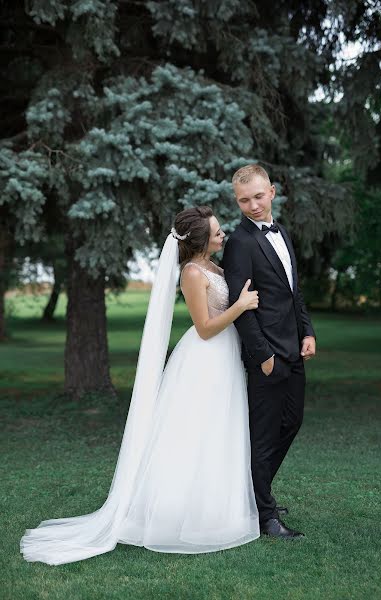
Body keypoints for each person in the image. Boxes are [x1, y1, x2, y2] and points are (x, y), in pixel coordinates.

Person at [21, 206, 260, 565]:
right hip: (204, 360)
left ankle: (213, 510)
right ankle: (176, 515)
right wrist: (240, 306)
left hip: (223, 358)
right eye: (216, 232)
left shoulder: (213, 266)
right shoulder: (193, 273)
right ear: (199, 241)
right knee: (194, 435)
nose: (222, 235)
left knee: (217, 433)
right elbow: (205, 328)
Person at [223, 164, 316, 539]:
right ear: (237, 201)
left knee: (291, 423)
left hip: (294, 351)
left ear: (272, 191)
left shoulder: (284, 234)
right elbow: (240, 306)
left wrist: (307, 331)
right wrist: (263, 356)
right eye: (244, 200)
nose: (253, 205)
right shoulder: (240, 243)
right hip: (267, 357)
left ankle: (253, 495)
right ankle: (264, 516)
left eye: (259, 196)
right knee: (262, 438)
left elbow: (295, 292)